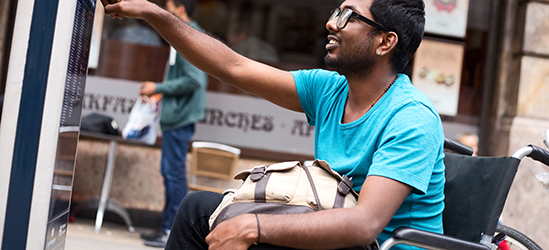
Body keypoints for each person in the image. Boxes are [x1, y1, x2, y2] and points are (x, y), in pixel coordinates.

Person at [104, 0, 445, 249]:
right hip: (341, 234)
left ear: (385, 42)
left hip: (373, 244)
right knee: (198, 211)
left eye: (348, 17)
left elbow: (364, 224)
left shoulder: (411, 118)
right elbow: (232, 66)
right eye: (335, 12)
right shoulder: (329, 89)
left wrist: (253, 227)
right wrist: (154, 13)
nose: (332, 23)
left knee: (249, 232)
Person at [134, 0, 208, 247]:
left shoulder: (187, 34)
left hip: (180, 118)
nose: (165, 12)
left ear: (180, 8)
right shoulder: (186, 33)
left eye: (167, 7)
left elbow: (194, 79)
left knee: (173, 174)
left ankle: (170, 230)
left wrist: (159, 87)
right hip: (178, 117)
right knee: (170, 173)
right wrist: (161, 93)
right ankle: (167, 227)